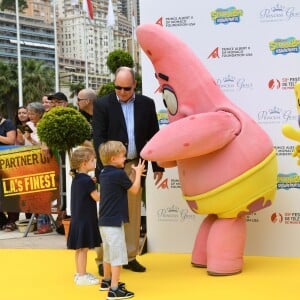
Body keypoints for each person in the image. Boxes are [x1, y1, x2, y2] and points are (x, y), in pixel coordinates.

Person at [92, 66, 164, 275]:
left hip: (135, 164)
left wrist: (157, 165)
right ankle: (102, 259)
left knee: (132, 214)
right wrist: (102, 168)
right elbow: (99, 137)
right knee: (108, 215)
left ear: (134, 85)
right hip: (110, 167)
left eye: (126, 88)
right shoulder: (103, 103)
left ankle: (130, 256)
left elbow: (154, 136)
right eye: (118, 87)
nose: (122, 92)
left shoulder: (146, 104)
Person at [98, 140, 145, 299]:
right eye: (122, 156)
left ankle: (106, 280)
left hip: (104, 221)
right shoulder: (118, 174)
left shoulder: (104, 173)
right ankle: (115, 288)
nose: (125, 159)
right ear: (113, 159)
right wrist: (138, 174)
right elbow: (134, 189)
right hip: (114, 222)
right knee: (117, 255)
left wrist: (131, 174)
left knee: (108, 254)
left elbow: (124, 184)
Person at [67, 146, 101, 286]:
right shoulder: (86, 180)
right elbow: (97, 198)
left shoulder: (78, 178)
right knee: (83, 249)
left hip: (78, 218)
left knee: (80, 248)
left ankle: (80, 273)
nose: (94, 163)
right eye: (92, 161)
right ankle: (81, 275)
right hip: (86, 219)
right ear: (84, 163)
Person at [0, 114, 17, 231]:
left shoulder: (8, 124)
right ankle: (2, 220)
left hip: (7, 161)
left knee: (8, 191)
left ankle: (12, 221)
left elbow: (11, 140)